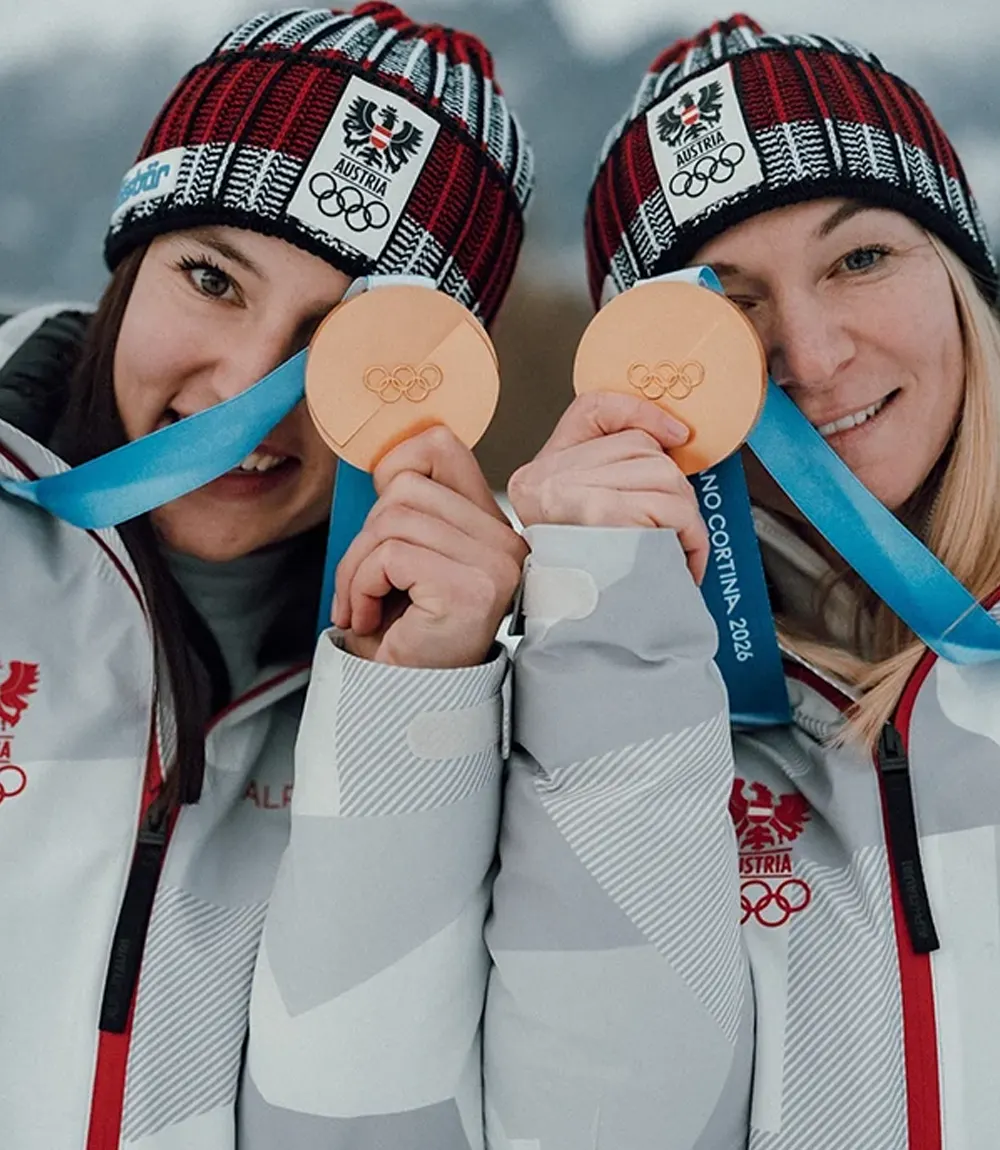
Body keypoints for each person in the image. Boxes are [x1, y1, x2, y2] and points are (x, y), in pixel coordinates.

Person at [0, 4, 533, 1147]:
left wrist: (410, 709)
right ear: (131, 266)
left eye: (343, 344)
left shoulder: (501, 689)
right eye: (212, 278)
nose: (246, 383)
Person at [489, 15, 1000, 1148]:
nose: (811, 358)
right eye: (726, 305)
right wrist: (605, 632)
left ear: (961, 278)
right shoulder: (567, 679)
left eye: (859, 259)